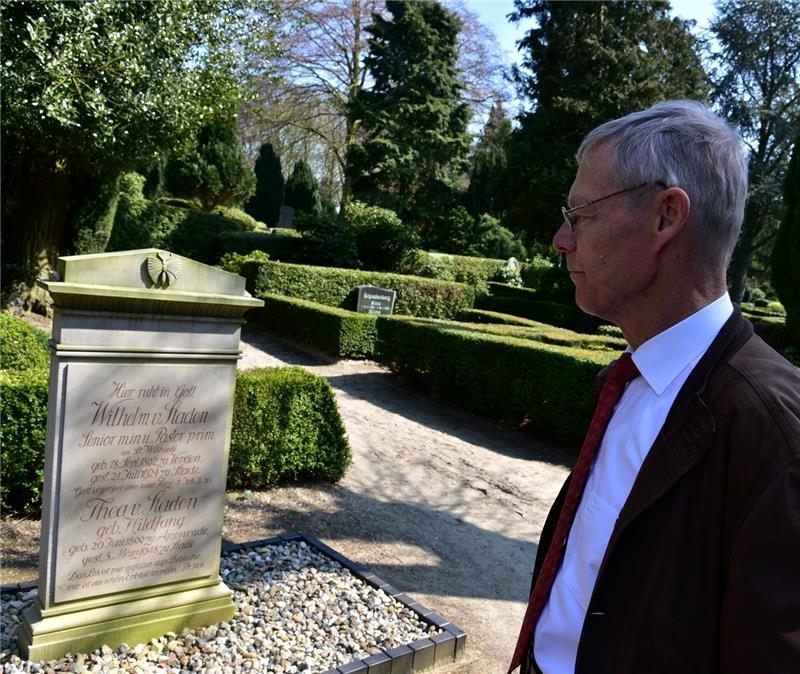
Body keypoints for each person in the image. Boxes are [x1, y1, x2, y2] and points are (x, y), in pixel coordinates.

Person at [509, 100, 800, 674]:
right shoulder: (633, 376)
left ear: (666, 217)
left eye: (581, 213)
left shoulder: (777, 435)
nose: (561, 239)